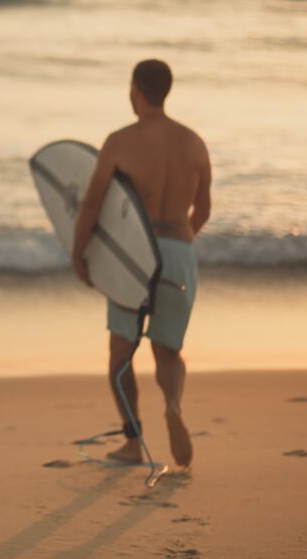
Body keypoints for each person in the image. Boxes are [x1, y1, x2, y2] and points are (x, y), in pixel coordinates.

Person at [71, 59, 211, 469]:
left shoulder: (120, 141)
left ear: (135, 91)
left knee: (121, 354)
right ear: (166, 91)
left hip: (136, 257)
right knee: (168, 351)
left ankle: (133, 442)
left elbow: (93, 203)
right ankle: (173, 406)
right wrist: (177, 248)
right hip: (179, 251)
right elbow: (203, 209)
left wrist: (79, 252)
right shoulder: (194, 143)